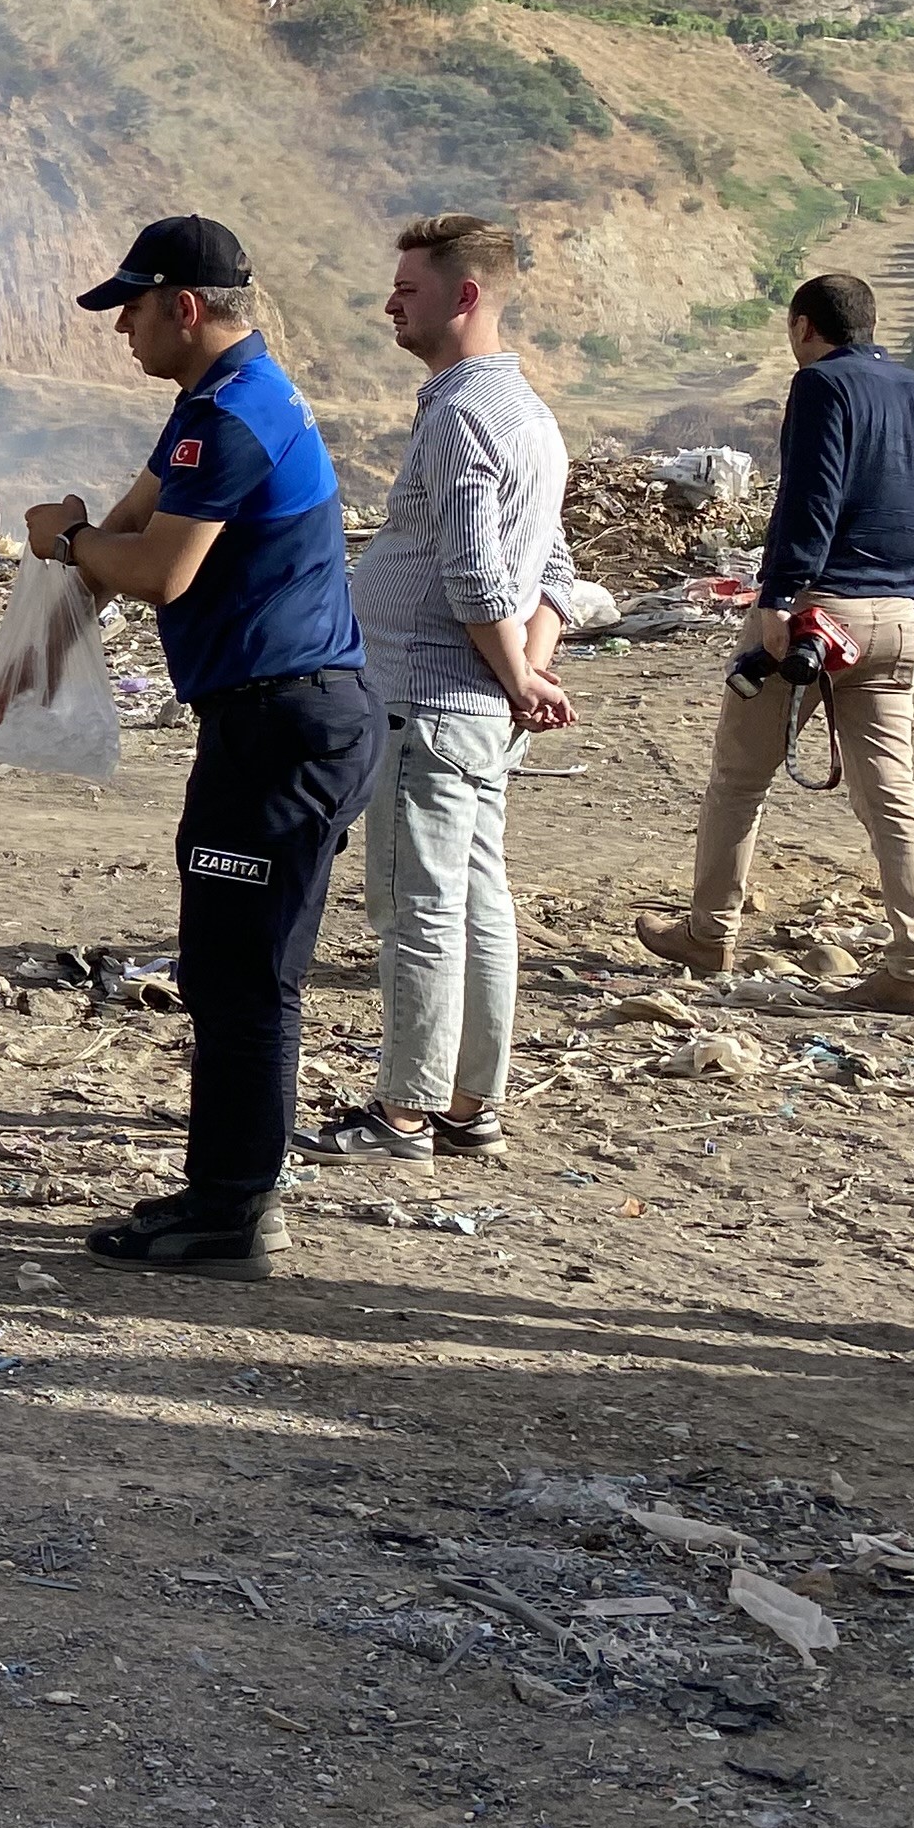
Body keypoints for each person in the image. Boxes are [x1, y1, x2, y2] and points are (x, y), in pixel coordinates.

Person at [23, 216, 374, 1278]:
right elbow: (130, 526)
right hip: (268, 720)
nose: (119, 327)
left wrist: (72, 541)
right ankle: (223, 1189)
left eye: (131, 306)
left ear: (184, 306)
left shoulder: (229, 416)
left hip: (283, 724)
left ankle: (235, 1212)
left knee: (245, 975)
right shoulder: (217, 406)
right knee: (224, 969)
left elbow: (160, 567)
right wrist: (83, 544)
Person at [304, 214, 580, 1163]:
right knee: (476, 900)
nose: (390, 303)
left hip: (429, 699)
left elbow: (474, 575)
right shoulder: (530, 416)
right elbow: (551, 566)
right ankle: (471, 1102)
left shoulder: (464, 414)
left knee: (415, 906)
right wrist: (529, 673)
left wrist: (519, 676)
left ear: (464, 297)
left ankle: (407, 1111)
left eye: (408, 289)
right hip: (476, 705)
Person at [637, 271, 914, 1013]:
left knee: (739, 777)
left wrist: (779, 598)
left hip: (820, 614)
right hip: (899, 621)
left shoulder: (824, 387)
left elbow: (808, 498)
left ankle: (709, 932)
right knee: (892, 798)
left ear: (803, 326)